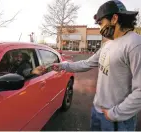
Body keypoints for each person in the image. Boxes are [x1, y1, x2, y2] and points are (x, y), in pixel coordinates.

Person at [52, 0, 141, 131]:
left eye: (101, 23)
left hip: (117, 120)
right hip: (97, 111)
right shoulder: (108, 44)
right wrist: (62, 66)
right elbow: (87, 63)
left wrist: (114, 114)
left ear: (114, 18)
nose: (100, 28)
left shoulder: (134, 44)